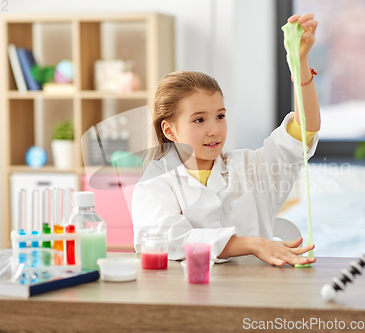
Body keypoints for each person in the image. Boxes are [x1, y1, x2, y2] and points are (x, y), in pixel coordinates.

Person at [132, 13, 320, 266]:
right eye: (199, 120)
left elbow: (303, 131)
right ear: (169, 130)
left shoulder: (250, 167)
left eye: (220, 116)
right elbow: (165, 239)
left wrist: (300, 65)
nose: (214, 130)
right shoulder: (155, 186)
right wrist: (252, 244)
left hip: (260, 290)